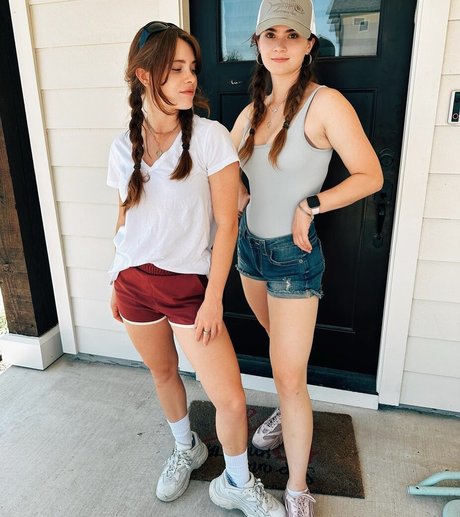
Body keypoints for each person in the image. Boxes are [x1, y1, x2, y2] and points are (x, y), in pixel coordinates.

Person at [107, 21, 286, 517]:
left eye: (193, 68)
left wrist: (212, 299)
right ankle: (187, 448)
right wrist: (113, 279)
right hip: (133, 283)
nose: (190, 79)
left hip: (189, 287)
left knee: (230, 398)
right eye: (176, 69)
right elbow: (124, 218)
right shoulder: (123, 146)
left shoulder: (210, 138)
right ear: (145, 75)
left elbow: (227, 225)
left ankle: (236, 482)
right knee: (164, 372)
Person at [231, 1, 383, 516]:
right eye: (269, 34)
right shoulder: (252, 109)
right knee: (281, 356)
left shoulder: (325, 104)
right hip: (250, 251)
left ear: (309, 44)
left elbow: (370, 175)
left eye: (292, 35)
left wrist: (311, 204)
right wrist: (239, 194)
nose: (280, 44)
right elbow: (223, 167)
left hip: (292, 259)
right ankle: (284, 412)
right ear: (257, 44)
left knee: (291, 376)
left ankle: (297, 488)